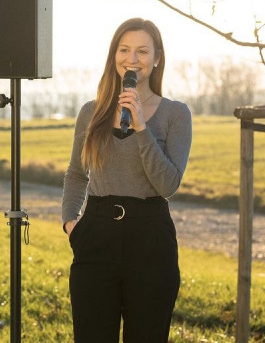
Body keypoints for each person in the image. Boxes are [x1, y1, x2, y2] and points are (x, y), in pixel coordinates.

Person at [62, 17, 193, 342]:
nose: (131, 59)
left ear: (157, 58)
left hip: (150, 239)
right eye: (124, 49)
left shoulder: (176, 114)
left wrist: (140, 127)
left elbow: (168, 184)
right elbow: (77, 174)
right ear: (113, 55)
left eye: (142, 51)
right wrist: (71, 223)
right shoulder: (91, 112)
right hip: (95, 236)